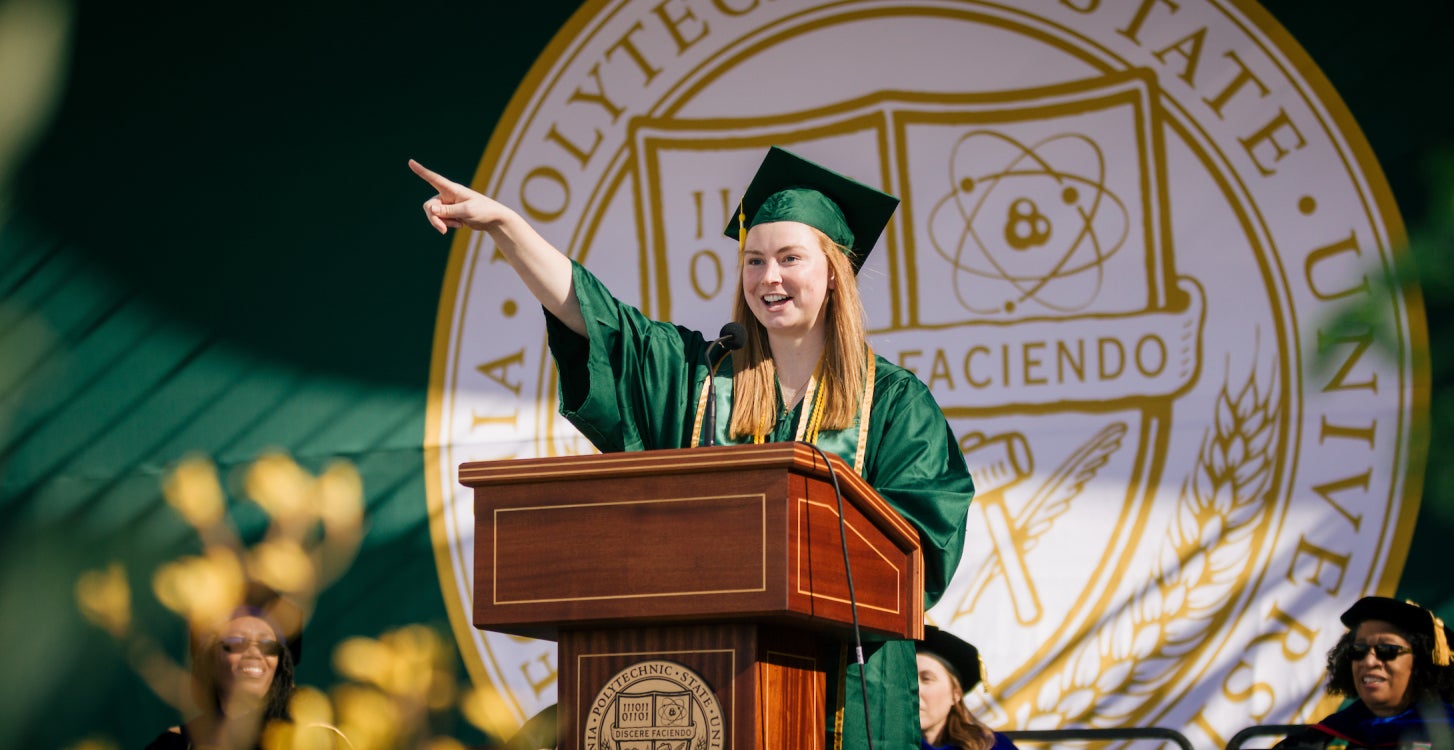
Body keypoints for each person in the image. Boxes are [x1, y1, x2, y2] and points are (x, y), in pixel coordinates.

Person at [411, 147, 976, 750]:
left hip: (841, 693)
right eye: (754, 261)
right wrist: (506, 226)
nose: (769, 278)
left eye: (790, 259)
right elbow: (598, 321)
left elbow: (920, 542)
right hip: (709, 685)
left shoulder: (892, 403)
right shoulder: (699, 376)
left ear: (834, 272)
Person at [145, 583, 348, 750]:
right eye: (236, 644)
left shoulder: (312, 739)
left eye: (268, 646)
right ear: (211, 660)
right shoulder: (179, 743)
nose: (254, 653)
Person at [1274, 596, 1454, 749]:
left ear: (1421, 663)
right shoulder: (1324, 740)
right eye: (1358, 650)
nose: (1369, 661)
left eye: (1388, 650)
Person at [916, 626, 1017, 750]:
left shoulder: (989, 746)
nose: (914, 689)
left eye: (926, 679)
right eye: (907, 680)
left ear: (955, 694)